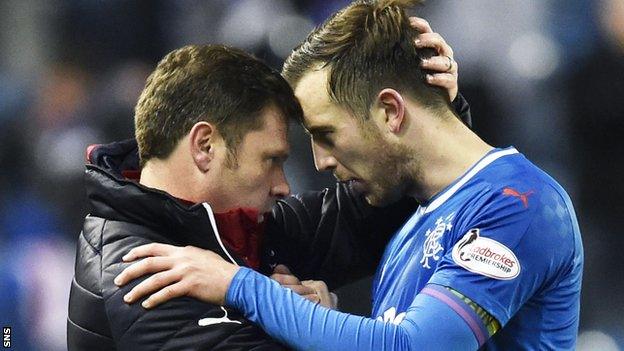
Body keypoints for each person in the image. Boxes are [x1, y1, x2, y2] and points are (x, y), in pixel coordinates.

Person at [115, 0, 584, 350]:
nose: (319, 161)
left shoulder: (521, 202)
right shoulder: (418, 214)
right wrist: (314, 318)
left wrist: (238, 285)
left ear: (389, 111)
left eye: (327, 134)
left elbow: (414, 347)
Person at [68, 22, 469, 350]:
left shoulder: (240, 229)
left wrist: (432, 118)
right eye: (271, 160)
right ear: (205, 146)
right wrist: (308, 319)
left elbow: (378, 205)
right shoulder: (138, 273)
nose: (284, 187)